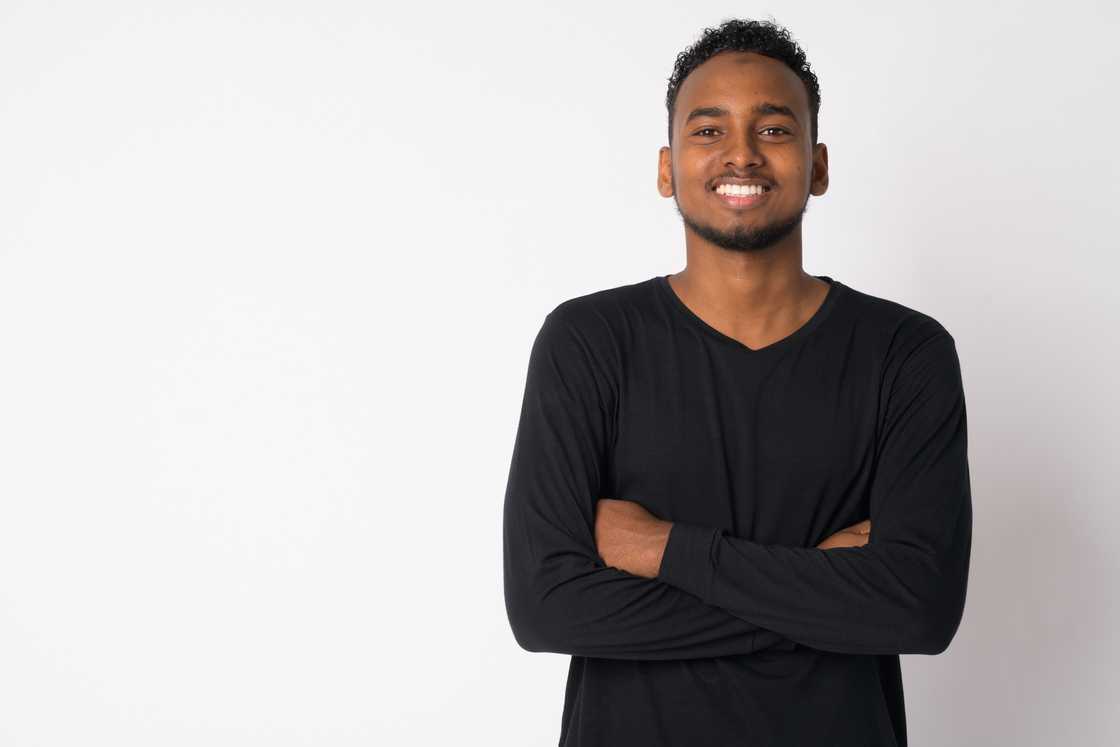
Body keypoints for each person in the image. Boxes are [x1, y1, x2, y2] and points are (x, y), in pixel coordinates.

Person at [501, 17, 971, 747]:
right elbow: (546, 606)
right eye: (709, 130)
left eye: (775, 130)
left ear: (818, 165)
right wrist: (819, 585)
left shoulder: (905, 352)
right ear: (667, 167)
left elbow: (918, 610)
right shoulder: (589, 342)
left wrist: (665, 551)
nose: (742, 154)